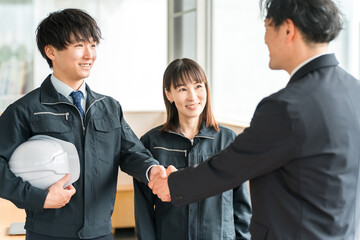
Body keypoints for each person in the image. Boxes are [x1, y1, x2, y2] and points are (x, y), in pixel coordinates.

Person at [149, 0, 360, 239]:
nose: (265, 39)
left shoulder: (285, 107)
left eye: (268, 27)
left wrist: (172, 184)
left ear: (288, 30)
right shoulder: (355, 91)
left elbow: (229, 167)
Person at [0, 8, 166, 240]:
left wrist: (152, 170)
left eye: (93, 45)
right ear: (51, 51)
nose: (90, 55)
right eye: (79, 45)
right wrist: (39, 198)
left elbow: (131, 153)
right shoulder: (25, 110)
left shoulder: (109, 107)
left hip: (100, 233)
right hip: (47, 234)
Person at [133, 58, 252, 240]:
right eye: (182, 89)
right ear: (169, 94)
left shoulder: (228, 140)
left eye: (198, 86)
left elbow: (241, 207)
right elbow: (144, 211)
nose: (193, 96)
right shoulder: (151, 143)